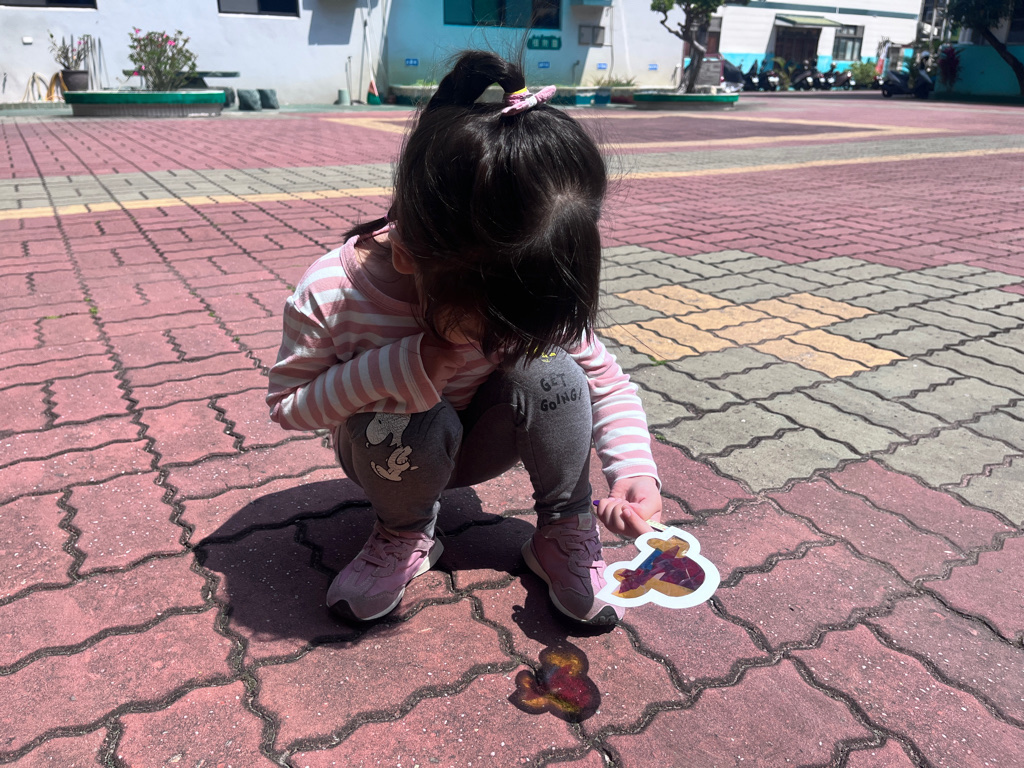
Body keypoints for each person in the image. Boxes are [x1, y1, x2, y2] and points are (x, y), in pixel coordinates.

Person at [267, 50, 662, 626]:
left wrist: (634, 471)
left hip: (483, 440)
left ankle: (564, 527)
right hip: (388, 454)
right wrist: (401, 368)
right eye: (488, 321)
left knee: (554, 367)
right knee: (411, 410)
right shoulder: (333, 291)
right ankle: (404, 532)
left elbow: (605, 381)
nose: (502, 336)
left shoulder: (521, 280)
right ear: (409, 254)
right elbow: (287, 406)